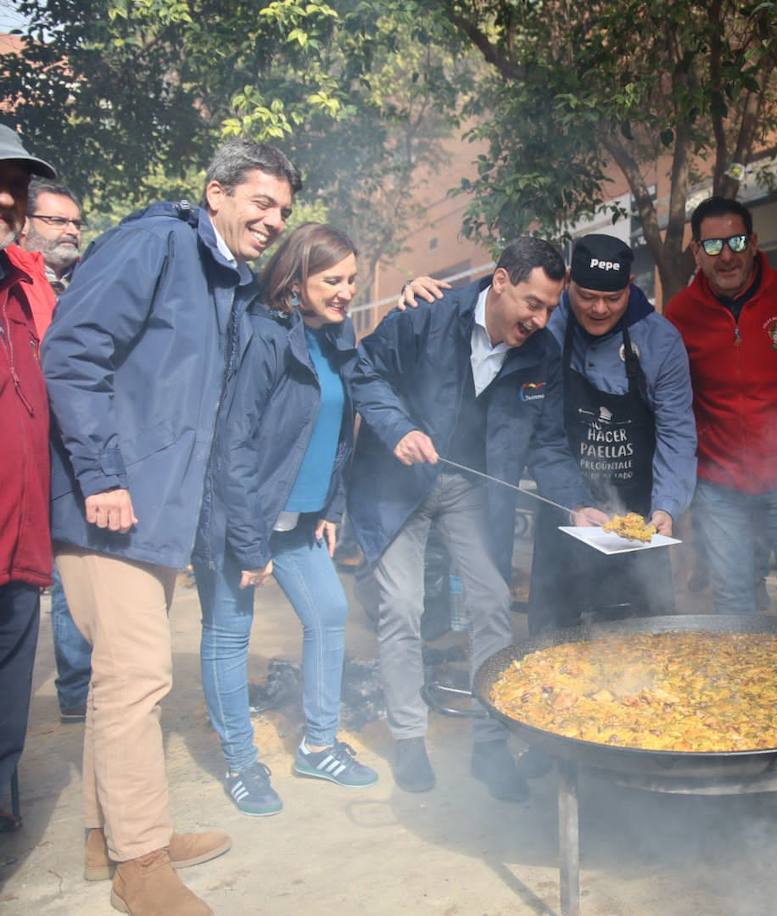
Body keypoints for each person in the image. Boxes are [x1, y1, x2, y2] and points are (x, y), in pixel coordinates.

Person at [43, 138, 300, 914]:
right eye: (261, 201)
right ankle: (142, 863)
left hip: (155, 512)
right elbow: (73, 350)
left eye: (284, 211)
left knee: (124, 677)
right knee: (140, 680)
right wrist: (103, 476)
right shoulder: (156, 243)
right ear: (215, 191)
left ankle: (107, 836)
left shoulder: (225, 281)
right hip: (110, 506)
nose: (273, 220)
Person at [347, 237, 600, 804]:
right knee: (403, 606)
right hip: (396, 484)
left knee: (491, 604)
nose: (540, 319)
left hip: (471, 487)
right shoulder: (427, 317)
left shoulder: (542, 349)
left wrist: (576, 502)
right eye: (532, 303)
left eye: (550, 308)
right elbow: (363, 371)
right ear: (501, 281)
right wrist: (397, 428)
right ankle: (409, 737)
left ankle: (489, 745)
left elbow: (550, 443)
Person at [192, 223, 378, 816]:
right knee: (228, 635)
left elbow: (340, 434)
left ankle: (318, 745)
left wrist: (330, 507)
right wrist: (249, 545)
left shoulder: (336, 338)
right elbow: (234, 445)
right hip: (238, 517)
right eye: (332, 280)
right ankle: (242, 764)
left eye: (352, 279)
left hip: (299, 519)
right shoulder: (264, 337)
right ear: (296, 280)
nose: (346, 290)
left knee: (329, 613)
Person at [664, 197, 777, 626]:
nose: (727, 255)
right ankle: (744, 693)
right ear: (697, 252)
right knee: (734, 604)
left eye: (737, 241)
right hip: (720, 487)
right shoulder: (679, 313)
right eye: (713, 245)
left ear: (754, 242)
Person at [529, 234, 695, 630]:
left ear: (631, 286)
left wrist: (667, 506)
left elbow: (677, 433)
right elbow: (502, 294)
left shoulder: (660, 341)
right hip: (563, 504)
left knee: (644, 638)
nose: (599, 309)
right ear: (568, 281)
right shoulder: (546, 325)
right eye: (586, 296)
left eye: (613, 298)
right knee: (550, 643)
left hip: (638, 519)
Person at [0, 124, 58, 835]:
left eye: (14, 188)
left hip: (21, 543)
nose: (8, 198)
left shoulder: (26, 288)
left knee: (10, 694)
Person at [18, 178, 91, 723]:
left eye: (75, 222)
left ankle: (75, 688)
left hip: (67, 450)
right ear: (26, 221)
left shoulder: (87, 283)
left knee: (70, 567)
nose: (69, 230)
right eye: (56, 220)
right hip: (19, 445)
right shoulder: (15, 282)